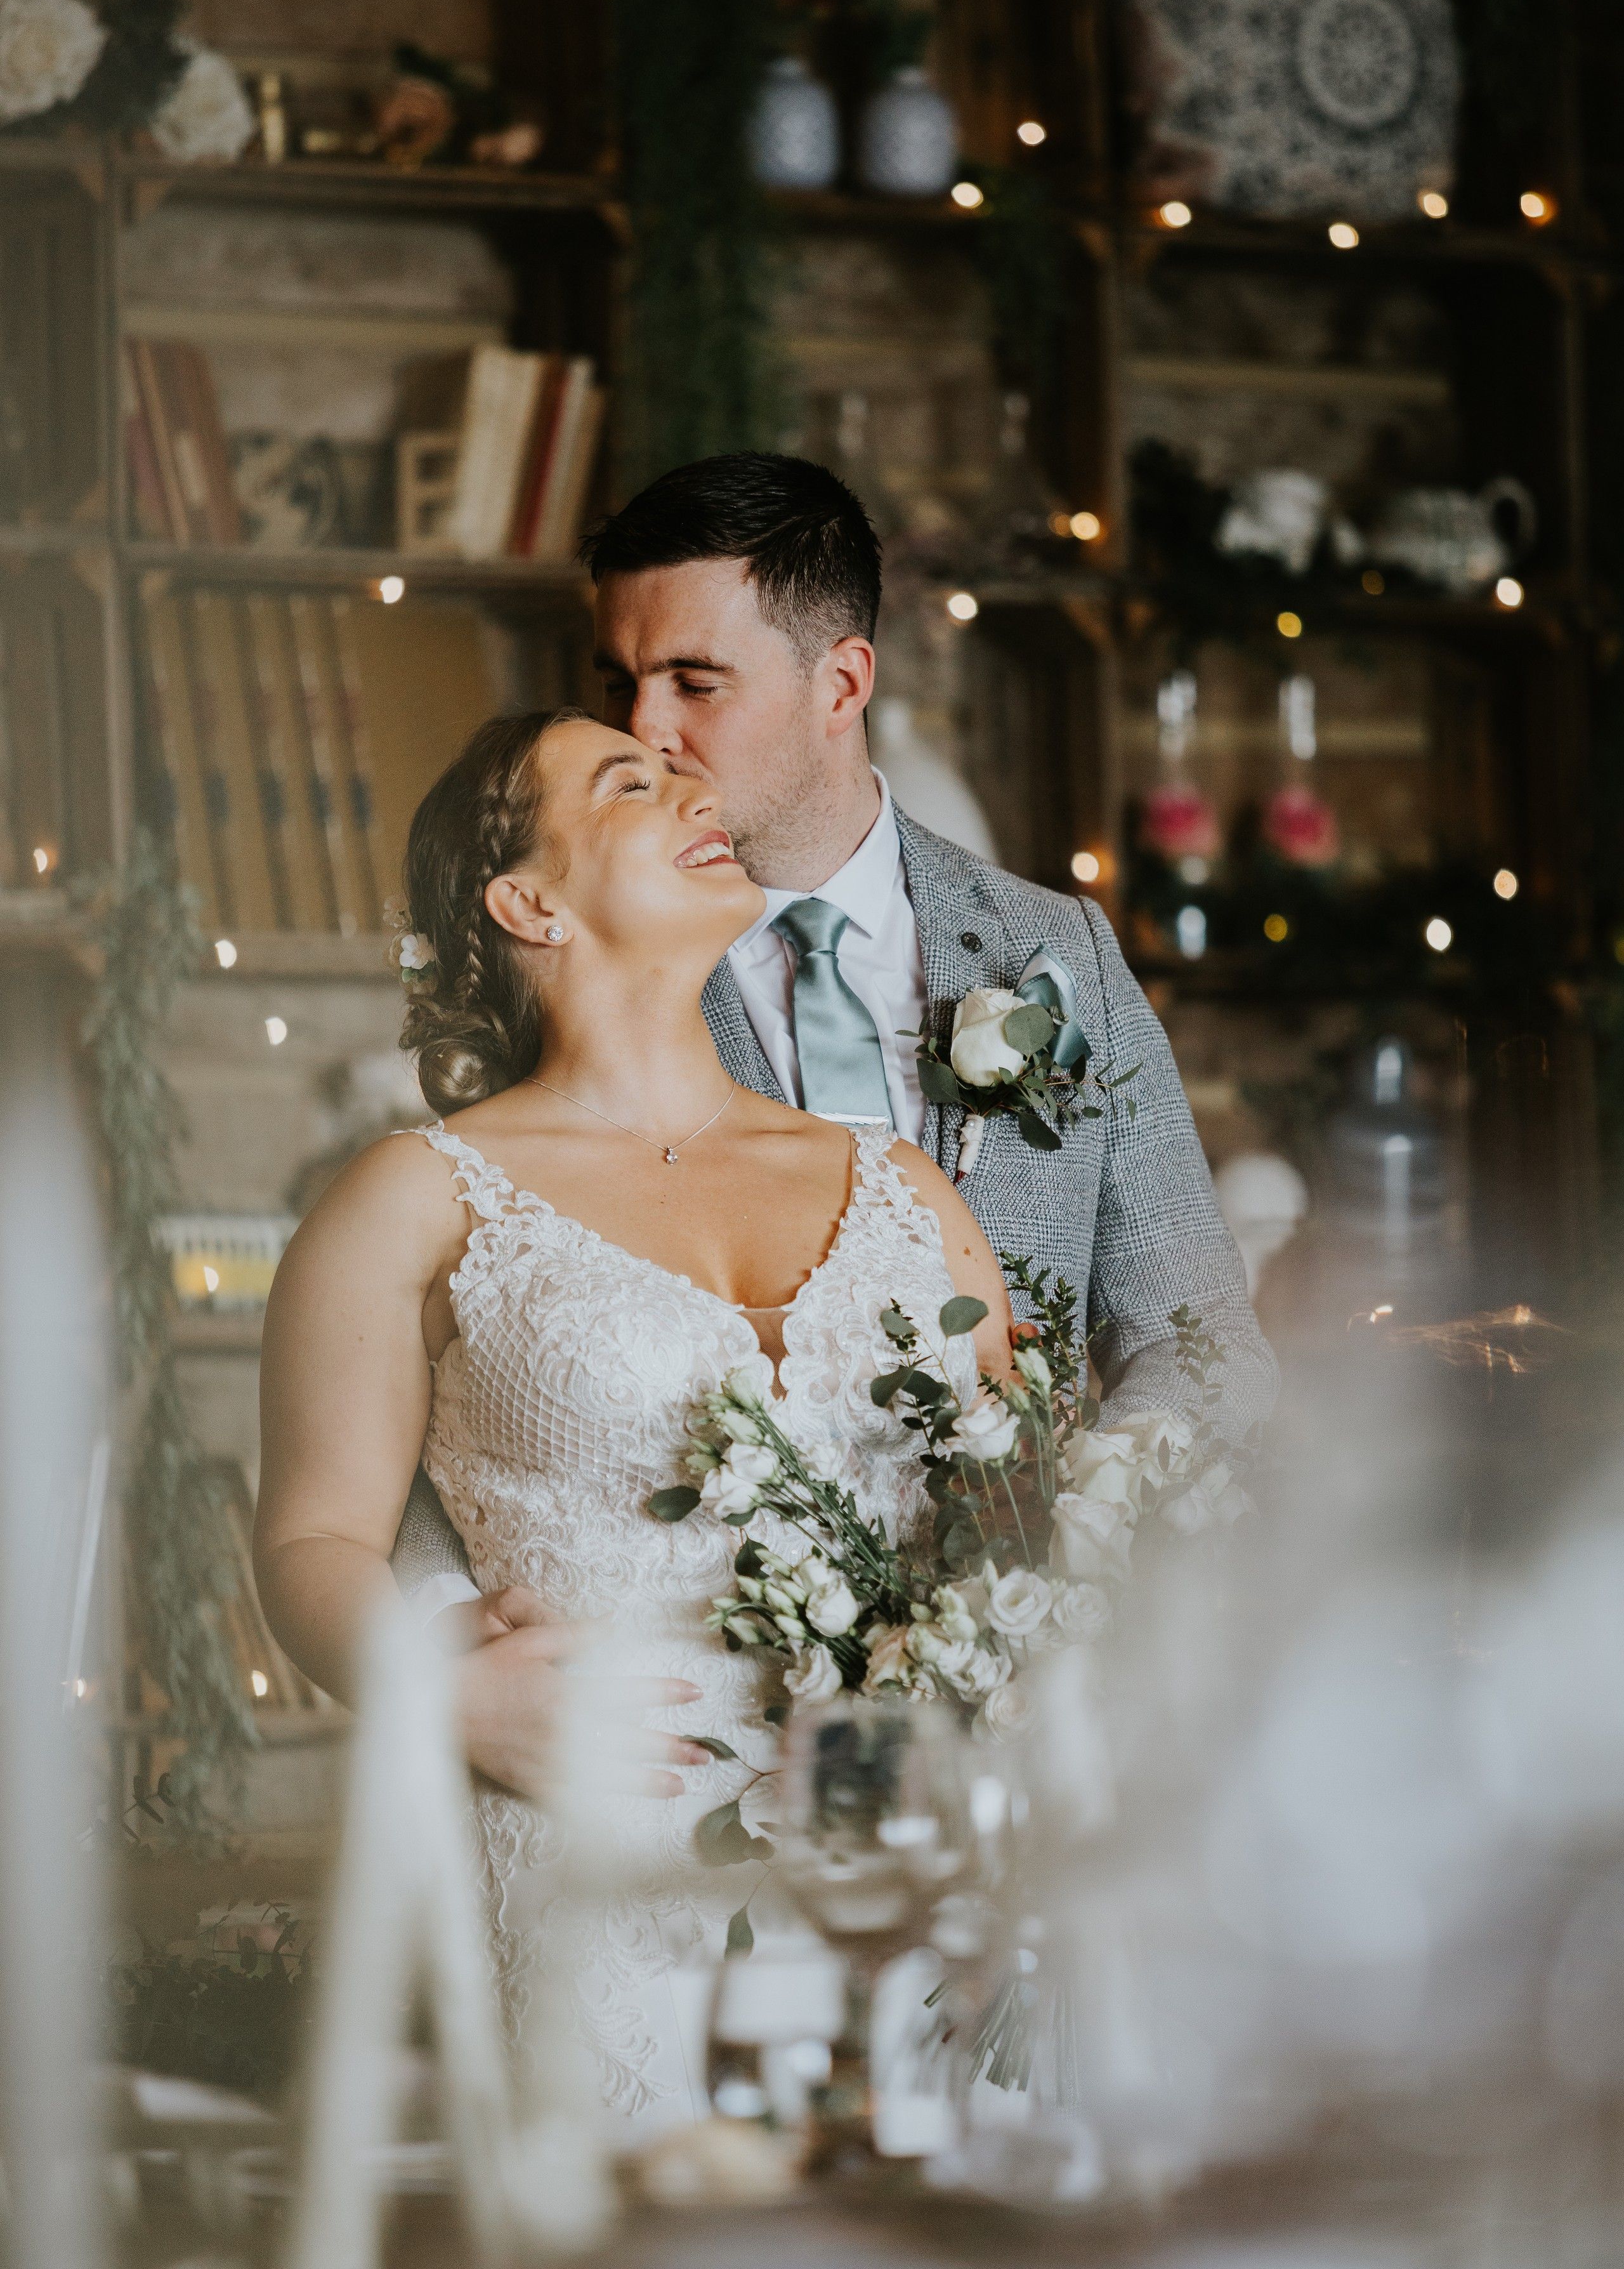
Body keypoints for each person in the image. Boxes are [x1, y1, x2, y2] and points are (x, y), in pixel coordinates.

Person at [254, 704, 1015, 2130]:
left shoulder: (905, 1188)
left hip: (901, 1851)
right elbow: (310, 1540)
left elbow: (1025, 1508)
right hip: (595, 1854)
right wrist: (440, 1689)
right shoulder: (411, 1200)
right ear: (527, 902)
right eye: (630, 782)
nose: (696, 791)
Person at [394, 451, 1276, 1626]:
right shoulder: (583, 975)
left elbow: (1197, 1339)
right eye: (620, 683)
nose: (646, 730)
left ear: (842, 683)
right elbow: (458, 1396)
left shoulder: (1055, 953)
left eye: (696, 682)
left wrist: (1065, 1570)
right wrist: (443, 1640)